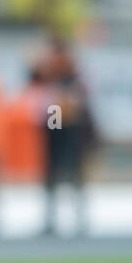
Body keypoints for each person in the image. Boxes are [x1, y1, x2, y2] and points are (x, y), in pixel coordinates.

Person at [30, 35, 98, 236]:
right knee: (52, 175)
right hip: (56, 129)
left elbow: (78, 106)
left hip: (70, 130)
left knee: (73, 175)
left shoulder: (74, 78)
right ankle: (52, 219)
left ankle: (79, 219)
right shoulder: (49, 77)